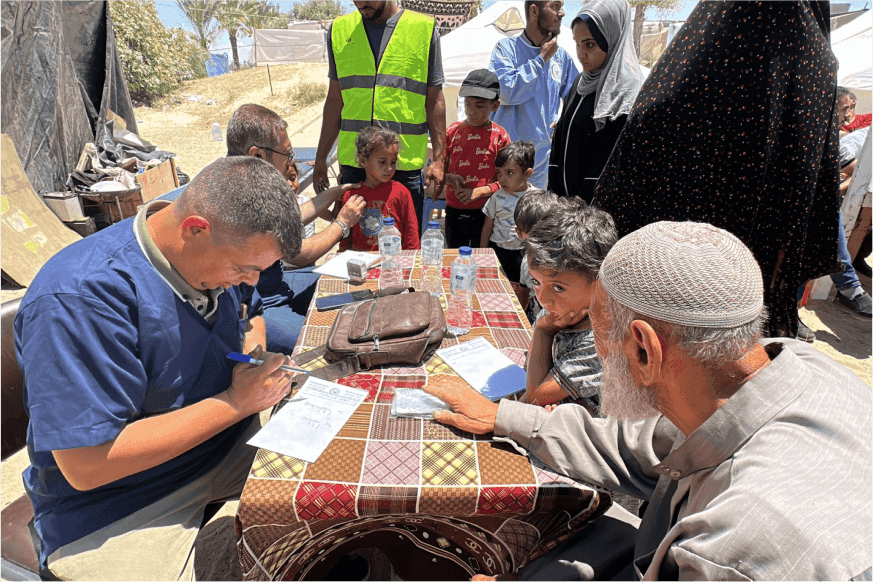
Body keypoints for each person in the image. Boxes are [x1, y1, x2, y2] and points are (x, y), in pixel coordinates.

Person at [426, 221, 872, 581]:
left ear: (642, 349)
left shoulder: (737, 545)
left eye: (596, 328)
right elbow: (641, 446)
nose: (596, 347)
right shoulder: (788, 365)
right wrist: (504, 415)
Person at [15, 157, 307, 581]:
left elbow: (250, 316)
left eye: (257, 271)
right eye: (242, 268)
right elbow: (87, 464)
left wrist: (253, 357)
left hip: (217, 449)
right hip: (118, 507)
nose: (247, 282)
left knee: (332, 498)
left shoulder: (206, 258)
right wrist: (236, 402)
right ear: (194, 229)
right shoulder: (81, 300)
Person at [592, 0, 844, 339]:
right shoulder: (813, 61)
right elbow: (817, 200)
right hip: (752, 298)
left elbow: (627, 179)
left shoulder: (702, 55)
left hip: (673, 295)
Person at [163, 104, 367, 353]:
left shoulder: (241, 178)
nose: (291, 163)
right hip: (262, 306)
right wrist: (341, 224)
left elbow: (284, 221)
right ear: (257, 155)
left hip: (274, 291)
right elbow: (299, 253)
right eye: (287, 154)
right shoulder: (237, 197)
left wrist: (333, 194)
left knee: (346, 292)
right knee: (327, 344)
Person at [313, 0, 447, 231]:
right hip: (356, 165)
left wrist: (439, 159)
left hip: (401, 167)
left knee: (404, 247)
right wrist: (320, 159)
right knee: (353, 248)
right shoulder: (339, 30)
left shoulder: (423, 29)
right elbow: (335, 100)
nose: (361, 3)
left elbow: (434, 100)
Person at [520, 197, 616, 413]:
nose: (543, 298)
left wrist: (543, 332)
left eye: (559, 287)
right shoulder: (562, 308)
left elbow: (536, 397)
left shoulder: (598, 340)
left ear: (599, 283)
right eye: (536, 282)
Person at [548, 0, 643, 202]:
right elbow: (561, 143)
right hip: (565, 208)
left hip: (596, 212)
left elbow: (610, 163)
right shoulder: (580, 83)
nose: (581, 54)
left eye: (590, 44)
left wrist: (580, 207)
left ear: (611, 38)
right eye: (578, 44)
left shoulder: (624, 90)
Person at [489, 0, 578, 189]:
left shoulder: (561, 57)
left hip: (540, 169)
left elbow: (577, 98)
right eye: (555, 6)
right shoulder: (505, 50)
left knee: (534, 218)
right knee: (503, 217)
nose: (561, 13)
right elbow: (506, 92)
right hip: (505, 165)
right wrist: (541, 59)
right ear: (534, 10)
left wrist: (562, 124)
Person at [441, 69, 512, 249]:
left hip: (488, 213)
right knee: (456, 258)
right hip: (454, 211)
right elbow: (438, 170)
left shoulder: (500, 137)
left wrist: (480, 192)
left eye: (479, 106)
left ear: (494, 105)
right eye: (467, 104)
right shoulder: (452, 132)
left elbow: (510, 180)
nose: (471, 112)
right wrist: (448, 178)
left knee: (483, 259)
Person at [338, 125, 420, 251]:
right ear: (363, 160)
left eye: (393, 162)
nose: (389, 168)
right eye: (382, 162)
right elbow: (346, 237)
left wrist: (412, 261)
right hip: (362, 264)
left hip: (392, 263)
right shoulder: (351, 196)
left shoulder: (401, 192)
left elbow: (411, 236)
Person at [480, 140, 535, 285]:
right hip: (497, 251)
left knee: (519, 287)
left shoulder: (535, 199)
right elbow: (488, 226)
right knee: (495, 285)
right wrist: (482, 253)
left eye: (510, 173)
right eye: (499, 173)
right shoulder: (497, 197)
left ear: (527, 174)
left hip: (523, 254)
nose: (502, 179)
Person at [514, 188, 559, 320]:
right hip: (538, 320)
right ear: (519, 233)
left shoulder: (565, 261)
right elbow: (523, 295)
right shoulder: (526, 262)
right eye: (535, 235)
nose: (542, 241)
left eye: (548, 233)